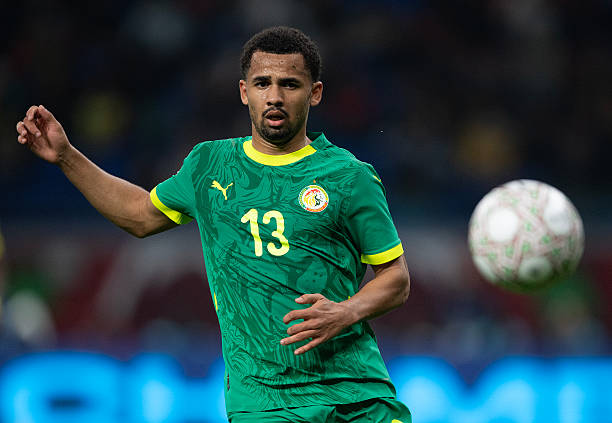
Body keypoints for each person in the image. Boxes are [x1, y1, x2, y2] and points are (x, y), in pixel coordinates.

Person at [16, 26, 411, 423]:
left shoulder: (349, 176)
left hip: (360, 397)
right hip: (266, 404)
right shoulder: (210, 165)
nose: (275, 96)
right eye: (262, 83)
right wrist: (67, 156)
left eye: (290, 84)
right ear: (244, 91)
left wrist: (346, 311)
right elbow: (139, 215)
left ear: (315, 93)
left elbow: (395, 278)